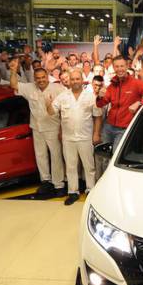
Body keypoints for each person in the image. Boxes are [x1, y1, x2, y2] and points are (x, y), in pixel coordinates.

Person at [8, 58, 66, 196]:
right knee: (40, 156)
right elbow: (14, 85)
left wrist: (62, 130)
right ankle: (46, 181)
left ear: (47, 77)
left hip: (53, 128)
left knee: (56, 156)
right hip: (37, 127)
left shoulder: (58, 89)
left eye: (43, 77)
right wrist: (13, 70)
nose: (41, 80)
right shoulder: (29, 88)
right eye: (38, 78)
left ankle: (59, 184)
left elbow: (65, 110)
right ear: (34, 79)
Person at [46, 69, 103, 206]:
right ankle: (73, 192)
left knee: (89, 166)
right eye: (73, 79)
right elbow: (51, 112)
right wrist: (48, 103)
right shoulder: (63, 96)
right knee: (71, 167)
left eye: (77, 79)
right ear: (69, 81)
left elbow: (98, 116)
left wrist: (96, 134)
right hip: (68, 138)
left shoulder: (90, 96)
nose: (75, 81)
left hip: (85, 137)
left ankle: (90, 190)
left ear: (82, 80)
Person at [94, 56, 143, 151]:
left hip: (124, 129)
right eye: (117, 66)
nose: (119, 69)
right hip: (108, 127)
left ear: (126, 67)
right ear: (113, 67)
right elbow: (100, 104)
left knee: (115, 156)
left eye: (122, 66)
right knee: (104, 156)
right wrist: (99, 96)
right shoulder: (112, 85)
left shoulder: (136, 83)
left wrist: (139, 102)